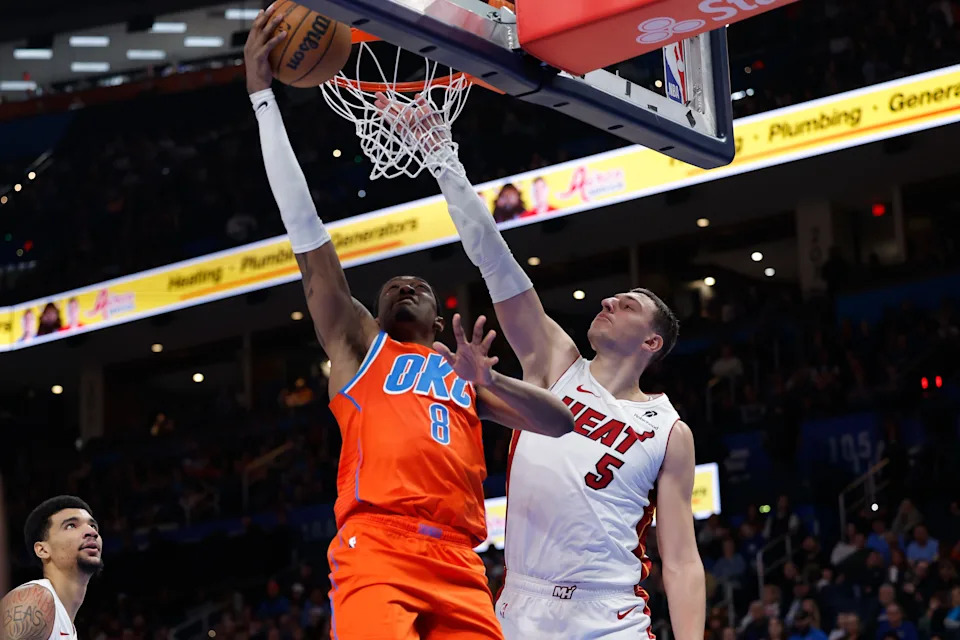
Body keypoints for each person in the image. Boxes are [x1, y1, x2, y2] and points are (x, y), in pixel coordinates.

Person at [242, 9, 574, 640]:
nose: (404, 282)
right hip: (380, 547)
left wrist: (488, 383)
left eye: (419, 284)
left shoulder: (460, 374)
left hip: (460, 562)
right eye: (391, 285)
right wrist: (263, 100)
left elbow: (559, 422)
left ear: (441, 312)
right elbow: (306, 234)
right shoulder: (358, 345)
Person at [400, 97, 701, 639]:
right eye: (609, 299)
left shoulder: (669, 431)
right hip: (520, 607)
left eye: (627, 304)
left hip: (611, 616)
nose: (609, 303)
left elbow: (680, 560)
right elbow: (494, 260)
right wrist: (443, 159)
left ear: (652, 342)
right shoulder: (554, 363)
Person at [0, 496, 103, 640]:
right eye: (71, 525)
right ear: (43, 550)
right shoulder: (36, 599)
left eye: (93, 526)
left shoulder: (66, 625)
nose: (92, 532)